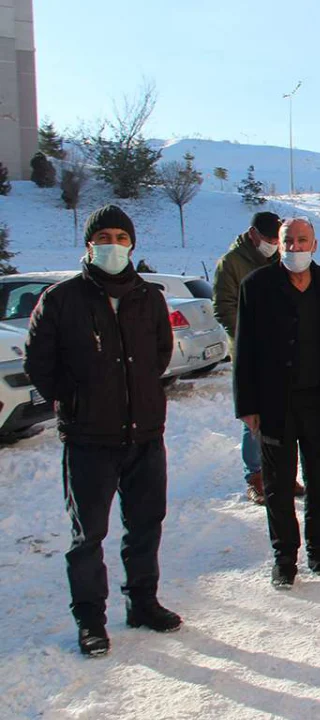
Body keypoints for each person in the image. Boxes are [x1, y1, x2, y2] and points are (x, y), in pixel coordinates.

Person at [25, 205, 182, 657]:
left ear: (132, 244)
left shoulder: (148, 297)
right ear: (89, 244)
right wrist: (75, 399)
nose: (113, 244)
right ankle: (91, 619)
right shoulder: (61, 299)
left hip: (146, 435)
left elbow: (160, 353)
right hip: (89, 439)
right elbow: (41, 363)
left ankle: (143, 602)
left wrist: (142, 395)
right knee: (88, 534)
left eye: (121, 236)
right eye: (104, 236)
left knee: (146, 525)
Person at [233, 218, 320, 588]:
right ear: (278, 245)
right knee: (277, 486)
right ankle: (284, 557)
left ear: (315, 244)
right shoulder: (257, 287)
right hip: (275, 404)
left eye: (302, 240)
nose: (295, 247)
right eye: (288, 241)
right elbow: (244, 349)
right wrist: (246, 405)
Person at [213, 211, 302, 505]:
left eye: (274, 239)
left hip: (282, 351)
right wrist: (251, 336)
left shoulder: (279, 259)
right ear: (253, 234)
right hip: (250, 353)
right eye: (266, 239)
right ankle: (256, 476)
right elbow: (224, 306)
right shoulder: (232, 263)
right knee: (253, 417)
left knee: (286, 412)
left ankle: (284, 474)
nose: (271, 244)